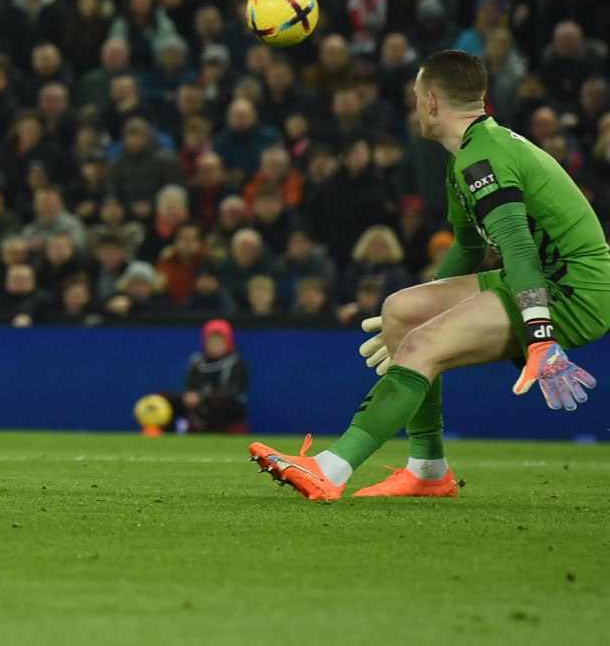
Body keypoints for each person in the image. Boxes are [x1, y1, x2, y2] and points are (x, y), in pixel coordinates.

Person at [251, 50, 608, 500]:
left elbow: (516, 246)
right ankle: (428, 470)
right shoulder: (469, 154)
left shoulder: (483, 161)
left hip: (575, 291)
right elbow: (468, 248)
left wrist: (540, 334)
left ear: (433, 102)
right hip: (546, 277)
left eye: (417, 96)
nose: (415, 105)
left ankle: (331, 468)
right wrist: (429, 306)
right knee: (402, 311)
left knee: (421, 345)